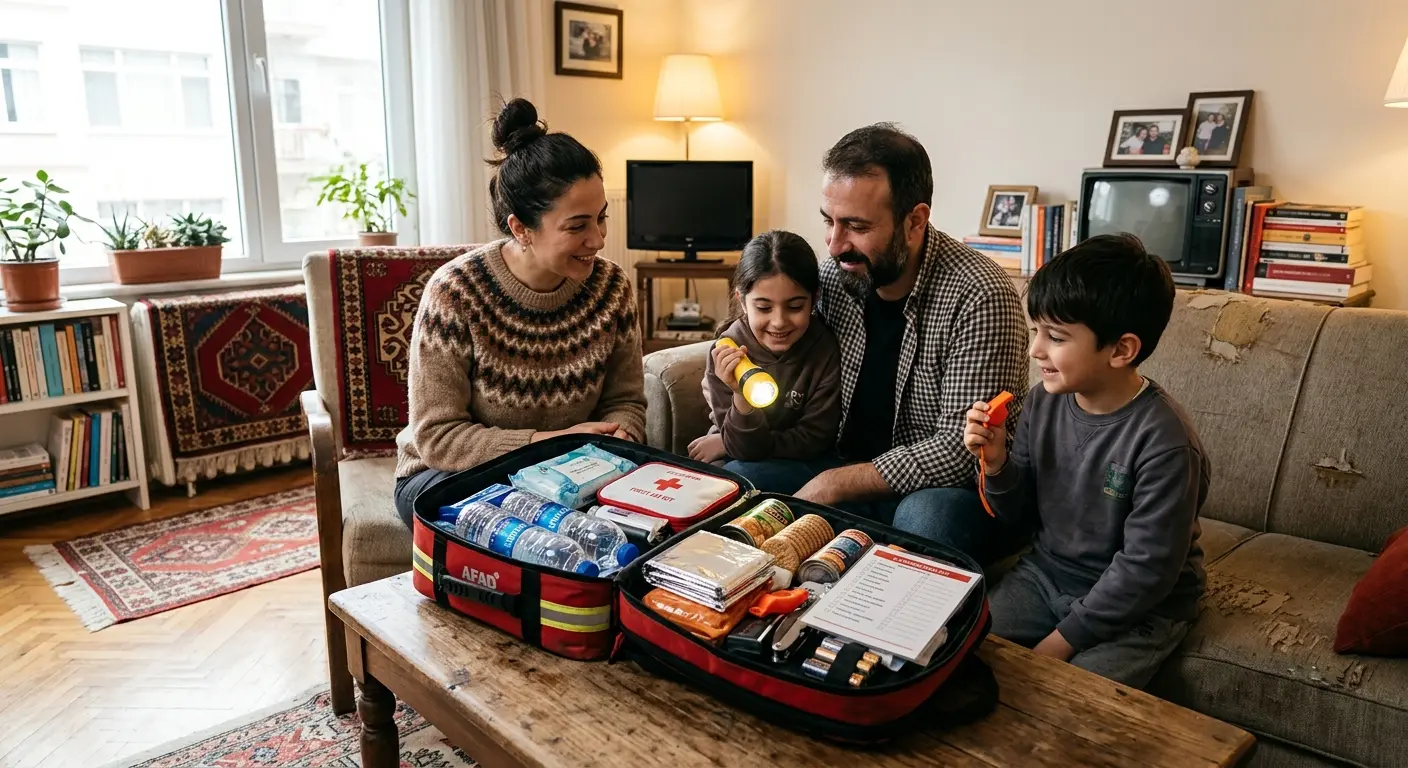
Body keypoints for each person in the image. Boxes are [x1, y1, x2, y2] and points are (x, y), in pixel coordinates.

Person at [724, 122, 1030, 564]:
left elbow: (964, 451)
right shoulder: (834, 278)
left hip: (936, 490)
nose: (833, 245)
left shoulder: (980, 295)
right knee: (741, 481)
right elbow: (758, 336)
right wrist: (729, 419)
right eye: (829, 221)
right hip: (835, 459)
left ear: (914, 221)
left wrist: (835, 484)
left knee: (927, 523)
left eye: (856, 226)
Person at [963, 233, 1209, 688]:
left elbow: (1146, 570)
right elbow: (1017, 518)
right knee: (961, 651)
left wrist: (1062, 641)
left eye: (1055, 337)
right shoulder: (1043, 402)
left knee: (1070, 698)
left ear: (1121, 350)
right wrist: (996, 464)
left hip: (1143, 607)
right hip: (1045, 575)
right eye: (1036, 329)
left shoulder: (1165, 442)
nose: (1036, 350)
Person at [392, 98, 646, 527]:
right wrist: (549, 444)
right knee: (529, 524)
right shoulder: (454, 293)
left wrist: (621, 435)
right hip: (453, 476)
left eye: (602, 218)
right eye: (577, 225)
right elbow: (437, 437)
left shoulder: (612, 288)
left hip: (571, 474)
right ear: (520, 228)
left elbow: (625, 402)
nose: (598, 239)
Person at [688, 230, 842, 465]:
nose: (779, 322)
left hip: (798, 460)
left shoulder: (824, 350)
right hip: (739, 448)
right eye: (764, 308)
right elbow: (740, 445)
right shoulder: (727, 353)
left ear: (814, 298)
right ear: (742, 301)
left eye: (795, 307)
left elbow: (814, 440)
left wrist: (727, 444)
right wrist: (741, 396)